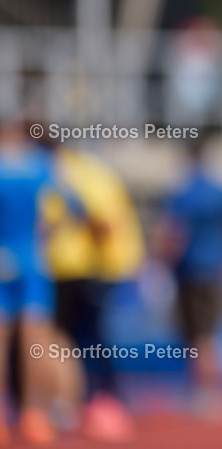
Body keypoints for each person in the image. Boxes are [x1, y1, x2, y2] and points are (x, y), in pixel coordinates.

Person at [43, 144, 145, 442]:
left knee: (71, 337)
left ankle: (92, 399)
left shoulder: (65, 173)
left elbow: (101, 222)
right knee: (88, 336)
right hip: (92, 266)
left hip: (76, 267)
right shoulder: (92, 169)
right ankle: (103, 397)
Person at [156, 135, 222, 418]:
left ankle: (208, 391)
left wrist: (159, 264)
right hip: (215, 269)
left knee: (199, 335)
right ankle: (212, 390)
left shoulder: (184, 194)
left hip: (192, 271)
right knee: (210, 333)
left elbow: (174, 234)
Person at [0, 120, 59, 446]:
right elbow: (66, 208)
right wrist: (43, 237)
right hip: (33, 262)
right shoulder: (40, 166)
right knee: (35, 341)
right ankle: (35, 414)